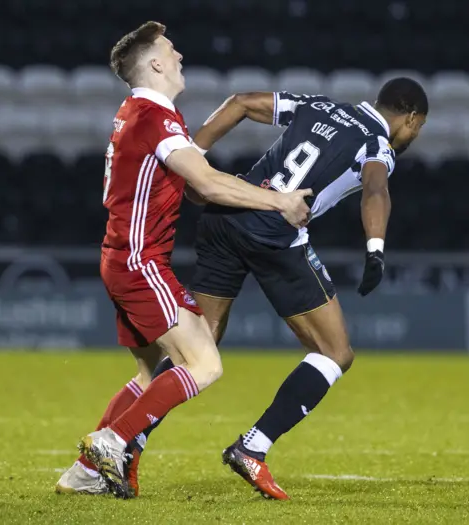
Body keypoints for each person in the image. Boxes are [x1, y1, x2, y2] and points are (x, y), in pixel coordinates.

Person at [133, 78, 429, 500]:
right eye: (417, 129)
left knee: (198, 345)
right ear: (412, 118)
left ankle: (128, 441)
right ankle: (252, 446)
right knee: (335, 352)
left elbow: (240, 102)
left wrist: (192, 159)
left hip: (225, 216)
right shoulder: (376, 144)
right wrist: (376, 250)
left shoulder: (318, 105)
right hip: (274, 234)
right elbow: (376, 189)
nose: (413, 136)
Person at [54, 21, 312, 499]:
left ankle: (83, 474)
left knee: (152, 372)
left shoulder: (135, 113)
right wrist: (280, 201)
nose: (179, 57)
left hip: (120, 258)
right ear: (154, 63)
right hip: (140, 262)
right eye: (171, 51)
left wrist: (228, 189)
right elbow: (207, 182)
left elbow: (192, 184)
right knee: (204, 363)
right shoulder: (157, 117)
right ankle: (110, 442)